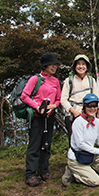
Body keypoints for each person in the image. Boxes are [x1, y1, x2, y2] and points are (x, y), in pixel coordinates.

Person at [21, 52, 61, 187]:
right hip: (37, 117)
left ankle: (44, 170)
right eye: (52, 64)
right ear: (45, 65)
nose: (54, 67)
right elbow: (24, 96)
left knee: (46, 144)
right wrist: (37, 107)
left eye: (56, 65)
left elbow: (58, 99)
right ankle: (31, 174)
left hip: (49, 117)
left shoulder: (55, 81)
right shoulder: (35, 79)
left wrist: (53, 106)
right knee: (35, 144)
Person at [61, 93, 99, 187]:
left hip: (88, 156)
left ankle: (87, 172)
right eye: (89, 106)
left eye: (95, 106)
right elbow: (80, 144)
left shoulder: (96, 122)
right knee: (96, 181)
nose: (92, 108)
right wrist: (98, 150)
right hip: (77, 157)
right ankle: (73, 174)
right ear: (84, 107)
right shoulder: (78, 122)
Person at [61, 54, 99, 141]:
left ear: (87, 67)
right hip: (73, 112)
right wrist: (73, 111)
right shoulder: (69, 80)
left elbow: (96, 98)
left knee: (88, 139)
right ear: (74, 66)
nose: (81, 66)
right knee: (74, 139)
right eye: (78, 64)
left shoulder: (91, 80)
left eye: (83, 64)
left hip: (88, 113)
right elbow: (63, 99)